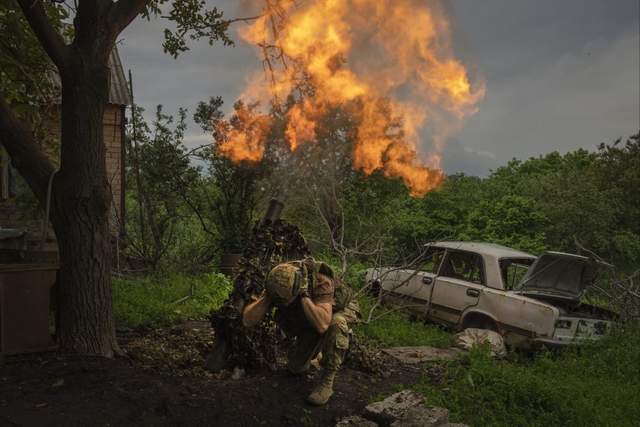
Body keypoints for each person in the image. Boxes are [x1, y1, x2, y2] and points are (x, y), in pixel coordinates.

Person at [242, 259, 359, 406]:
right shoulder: (278, 279)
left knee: (335, 324)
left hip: (339, 308)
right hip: (315, 310)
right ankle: (317, 352)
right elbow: (247, 320)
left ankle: (327, 380)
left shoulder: (321, 281)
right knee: (296, 368)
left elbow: (323, 324)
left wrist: (303, 295)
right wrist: (266, 298)